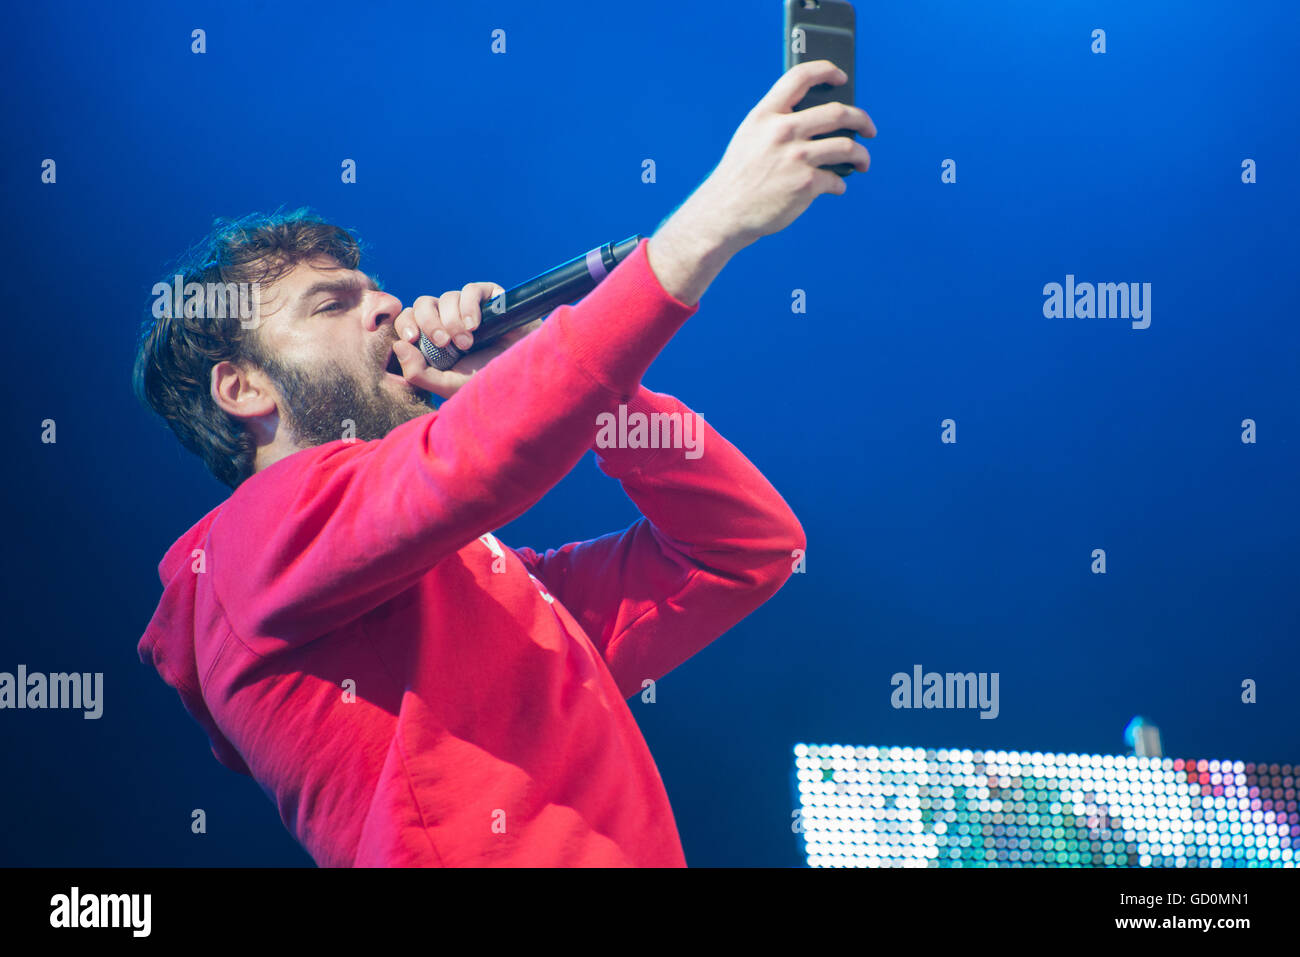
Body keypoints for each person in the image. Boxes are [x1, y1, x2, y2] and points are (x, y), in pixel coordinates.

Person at [133, 60, 876, 866]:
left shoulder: (481, 590)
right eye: (332, 304)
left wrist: (552, 376)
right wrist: (707, 225)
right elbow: (468, 462)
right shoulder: (247, 545)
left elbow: (745, 551)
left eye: (373, 288)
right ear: (241, 388)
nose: (385, 304)